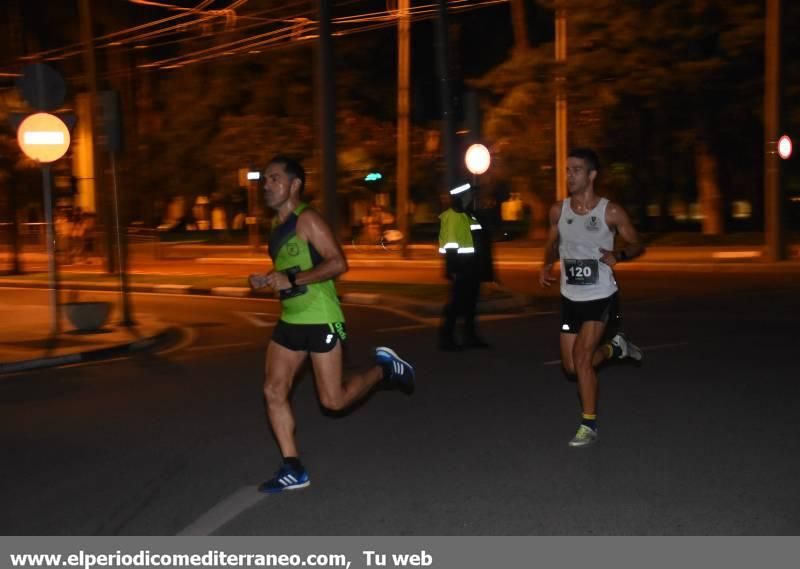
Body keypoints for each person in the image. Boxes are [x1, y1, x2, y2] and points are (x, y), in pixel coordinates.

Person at [249, 155, 415, 494]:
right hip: (290, 319)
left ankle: (386, 369)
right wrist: (267, 281)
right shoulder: (275, 226)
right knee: (273, 390)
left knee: (333, 401)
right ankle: (293, 468)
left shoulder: (307, 219)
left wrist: (291, 280)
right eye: (265, 179)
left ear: (294, 184)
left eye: (274, 178)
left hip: (321, 317)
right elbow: (290, 267)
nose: (266, 185)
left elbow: (338, 263)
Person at [539, 148, 645, 448]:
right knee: (571, 367)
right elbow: (551, 242)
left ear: (591, 175)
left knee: (583, 359)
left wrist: (619, 254)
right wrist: (546, 264)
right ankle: (615, 349)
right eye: (567, 170)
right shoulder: (558, 211)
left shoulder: (610, 212)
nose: (569, 176)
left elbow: (637, 242)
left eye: (576, 170)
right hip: (570, 297)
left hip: (601, 297)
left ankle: (589, 424)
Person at [438, 182, 493, 351]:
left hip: (472, 268)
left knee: (470, 305)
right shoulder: (453, 217)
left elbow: (480, 241)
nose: (473, 197)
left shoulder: (469, 215)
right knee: (455, 305)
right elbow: (451, 246)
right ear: (462, 197)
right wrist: (452, 270)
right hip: (461, 269)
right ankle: (447, 339)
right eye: (470, 195)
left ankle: (470, 336)